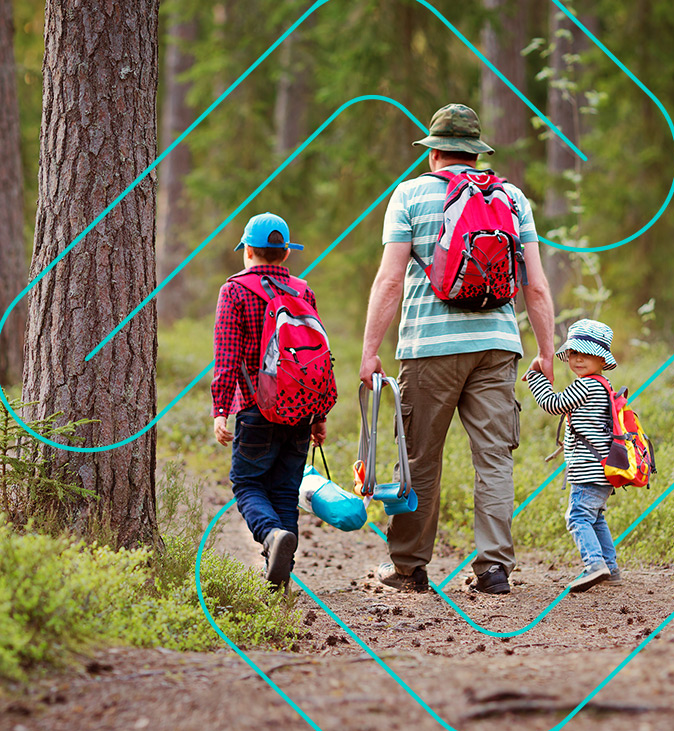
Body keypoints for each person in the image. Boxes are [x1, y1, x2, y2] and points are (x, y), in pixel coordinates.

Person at [357, 103, 558, 596]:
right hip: (497, 346)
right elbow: (535, 286)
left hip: (429, 348)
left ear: (435, 153)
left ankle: (408, 568)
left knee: (420, 459)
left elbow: (389, 282)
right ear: (475, 152)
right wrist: (546, 352)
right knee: (494, 459)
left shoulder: (409, 196)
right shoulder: (512, 198)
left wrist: (369, 351)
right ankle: (493, 569)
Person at [212, 212, 330, 589]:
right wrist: (319, 413)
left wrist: (220, 410)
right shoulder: (302, 290)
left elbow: (227, 356)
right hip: (301, 408)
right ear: (285, 254)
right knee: (283, 490)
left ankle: (269, 536)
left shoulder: (235, 290)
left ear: (248, 251)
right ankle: (279, 579)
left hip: (254, 407)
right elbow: (316, 356)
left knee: (246, 484)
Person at [523, 320, 625, 593]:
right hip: (603, 469)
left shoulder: (585, 386)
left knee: (578, 516)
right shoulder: (603, 384)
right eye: (574, 353)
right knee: (595, 517)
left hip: (587, 470)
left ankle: (595, 565)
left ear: (601, 358)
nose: (579, 359)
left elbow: (552, 404)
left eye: (587, 354)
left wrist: (535, 376)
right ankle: (611, 567)